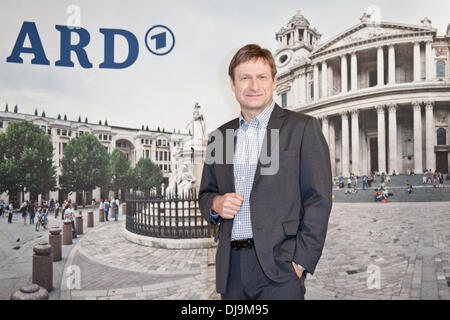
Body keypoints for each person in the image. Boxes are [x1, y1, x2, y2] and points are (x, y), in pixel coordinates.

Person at [199, 44, 332, 300]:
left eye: (261, 77)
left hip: (280, 270)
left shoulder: (303, 128)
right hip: (231, 270)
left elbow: (319, 199)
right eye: (244, 78)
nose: (253, 86)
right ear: (232, 84)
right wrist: (215, 203)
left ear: (274, 81)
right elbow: (206, 194)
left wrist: (301, 260)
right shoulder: (219, 137)